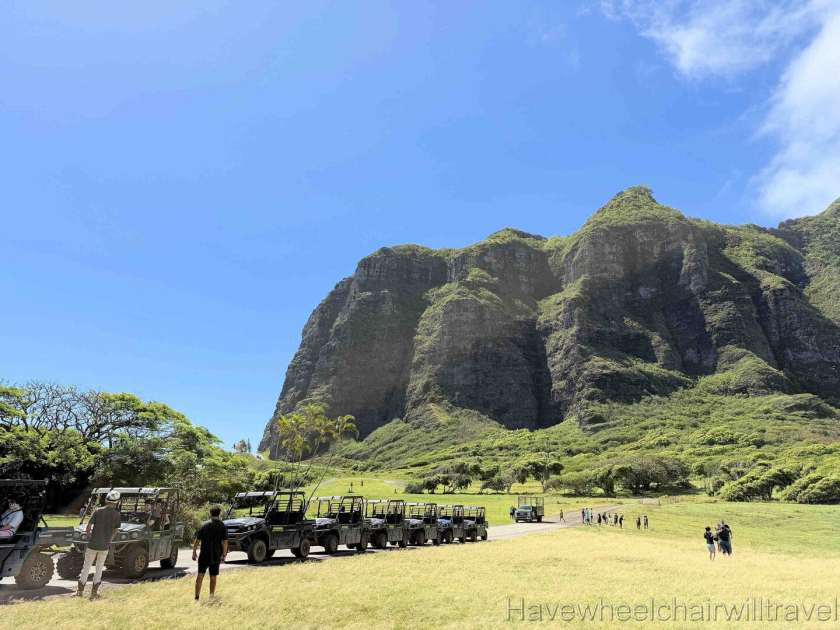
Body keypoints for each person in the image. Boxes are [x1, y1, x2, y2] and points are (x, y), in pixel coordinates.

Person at [78, 490, 122, 599]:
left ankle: (79, 592)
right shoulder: (117, 514)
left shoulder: (98, 511)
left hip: (93, 544)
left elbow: (88, 527)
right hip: (105, 546)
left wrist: (89, 537)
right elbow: (116, 530)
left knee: (86, 567)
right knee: (99, 568)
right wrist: (109, 540)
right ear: (116, 502)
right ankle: (94, 593)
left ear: (107, 500)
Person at [193, 506, 228, 603]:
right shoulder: (222, 526)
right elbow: (225, 542)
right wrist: (224, 555)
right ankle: (211, 597)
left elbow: (197, 540)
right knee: (213, 577)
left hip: (204, 554)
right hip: (216, 555)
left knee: (200, 576)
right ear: (219, 514)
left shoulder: (204, 525)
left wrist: (194, 552)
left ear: (210, 513)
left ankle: (196, 598)